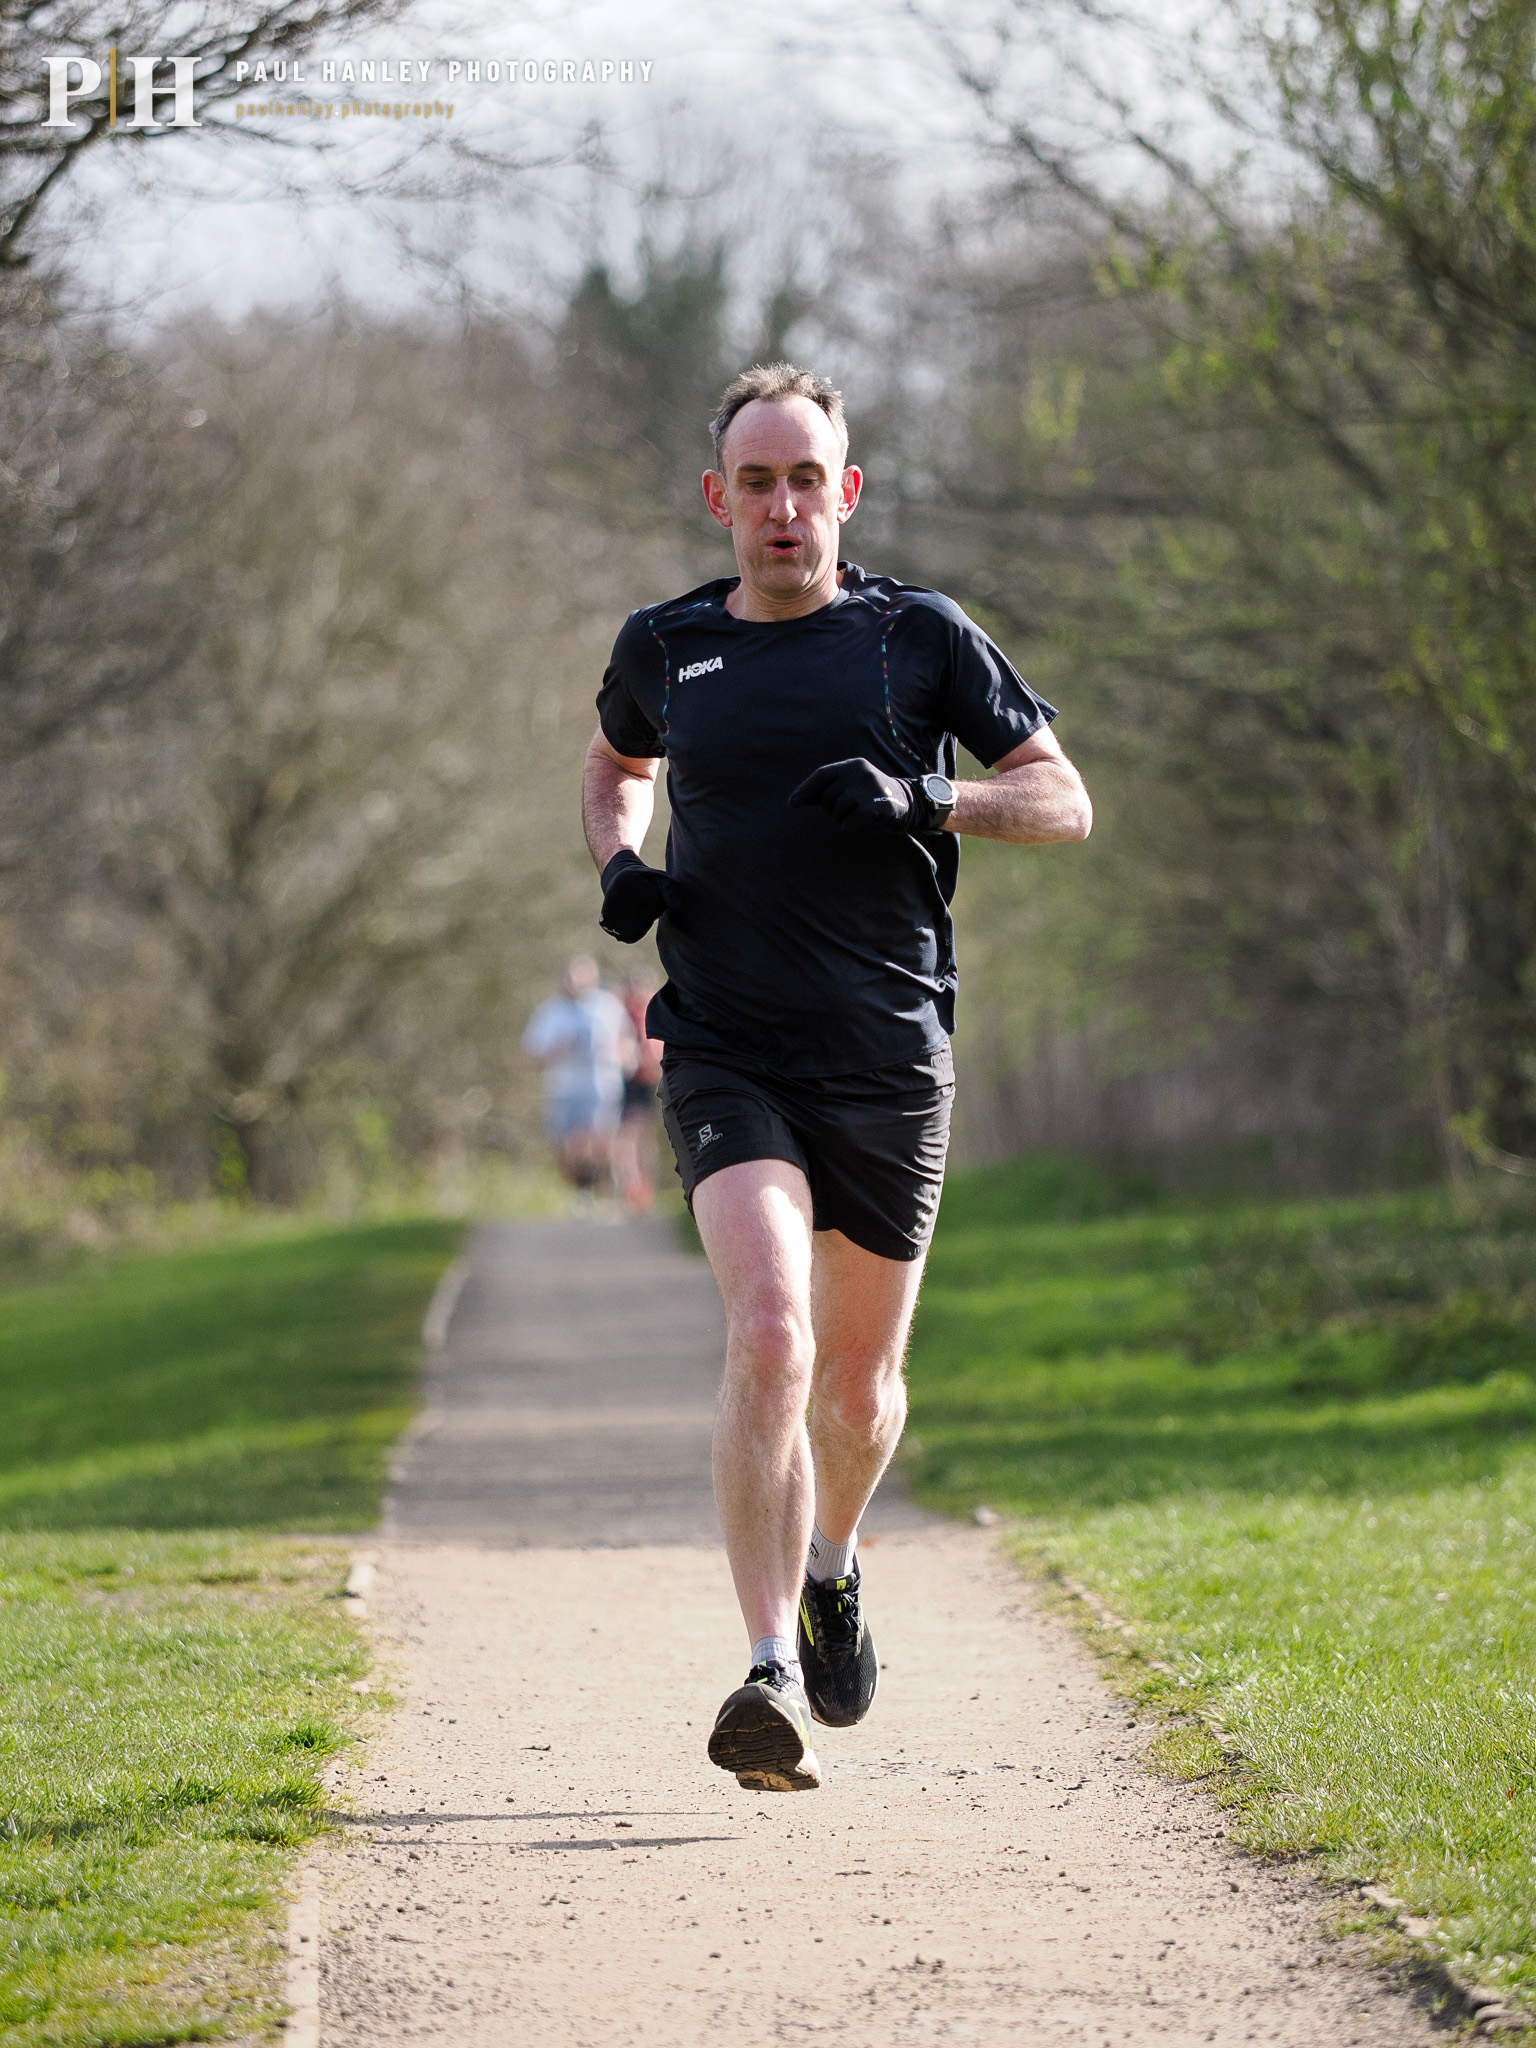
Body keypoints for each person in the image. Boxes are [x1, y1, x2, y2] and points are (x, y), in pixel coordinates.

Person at [581, 361, 1092, 1793]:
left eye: (809, 480)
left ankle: (836, 1564)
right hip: (728, 1042)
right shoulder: (668, 646)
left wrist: (931, 797)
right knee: (771, 1337)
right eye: (759, 483)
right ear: (719, 499)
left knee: (860, 1393)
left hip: (887, 1054)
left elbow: (1064, 799)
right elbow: (613, 761)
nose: (785, 507)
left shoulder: (917, 638)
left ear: (845, 492)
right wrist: (623, 860)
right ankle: (760, 1672)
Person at [521, 954, 631, 1201]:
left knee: (601, 1141)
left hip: (602, 1085)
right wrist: (559, 1048)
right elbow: (532, 1049)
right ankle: (580, 1192)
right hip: (564, 1087)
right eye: (570, 976)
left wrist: (618, 1053)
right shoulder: (550, 1010)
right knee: (569, 1144)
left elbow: (627, 1038)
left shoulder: (607, 1005)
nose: (575, 981)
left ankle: (605, 1186)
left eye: (580, 975)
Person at [613, 967, 665, 1212]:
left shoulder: (655, 1006)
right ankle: (631, 1188)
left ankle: (645, 1190)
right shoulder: (619, 1010)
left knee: (643, 1136)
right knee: (629, 1136)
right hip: (626, 1080)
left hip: (650, 1078)